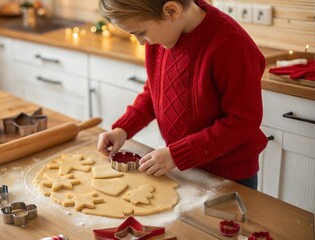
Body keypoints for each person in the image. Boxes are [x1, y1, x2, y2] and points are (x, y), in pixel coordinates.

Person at [97, 0, 268, 190]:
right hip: (184, 165)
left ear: (171, 11)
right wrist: (123, 129)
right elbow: (155, 91)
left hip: (230, 177)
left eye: (141, 32)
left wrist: (177, 154)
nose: (141, 41)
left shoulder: (231, 44)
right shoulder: (163, 36)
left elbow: (243, 121)